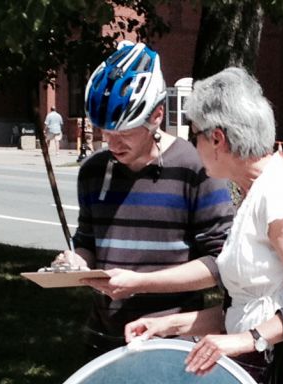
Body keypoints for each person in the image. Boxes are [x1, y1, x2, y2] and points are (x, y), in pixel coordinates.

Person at [121, 67, 283, 384]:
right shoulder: (254, 192)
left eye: (192, 134)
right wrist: (165, 325)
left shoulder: (279, 193)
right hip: (258, 371)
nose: (191, 145)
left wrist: (246, 341)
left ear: (217, 138)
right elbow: (243, 308)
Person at [52, 41, 235, 357]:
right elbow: (88, 243)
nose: (111, 143)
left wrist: (140, 282)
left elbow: (220, 265)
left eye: (124, 132)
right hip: (103, 341)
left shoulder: (196, 169)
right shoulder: (93, 172)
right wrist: (76, 262)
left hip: (171, 344)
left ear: (157, 116)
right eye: (104, 131)